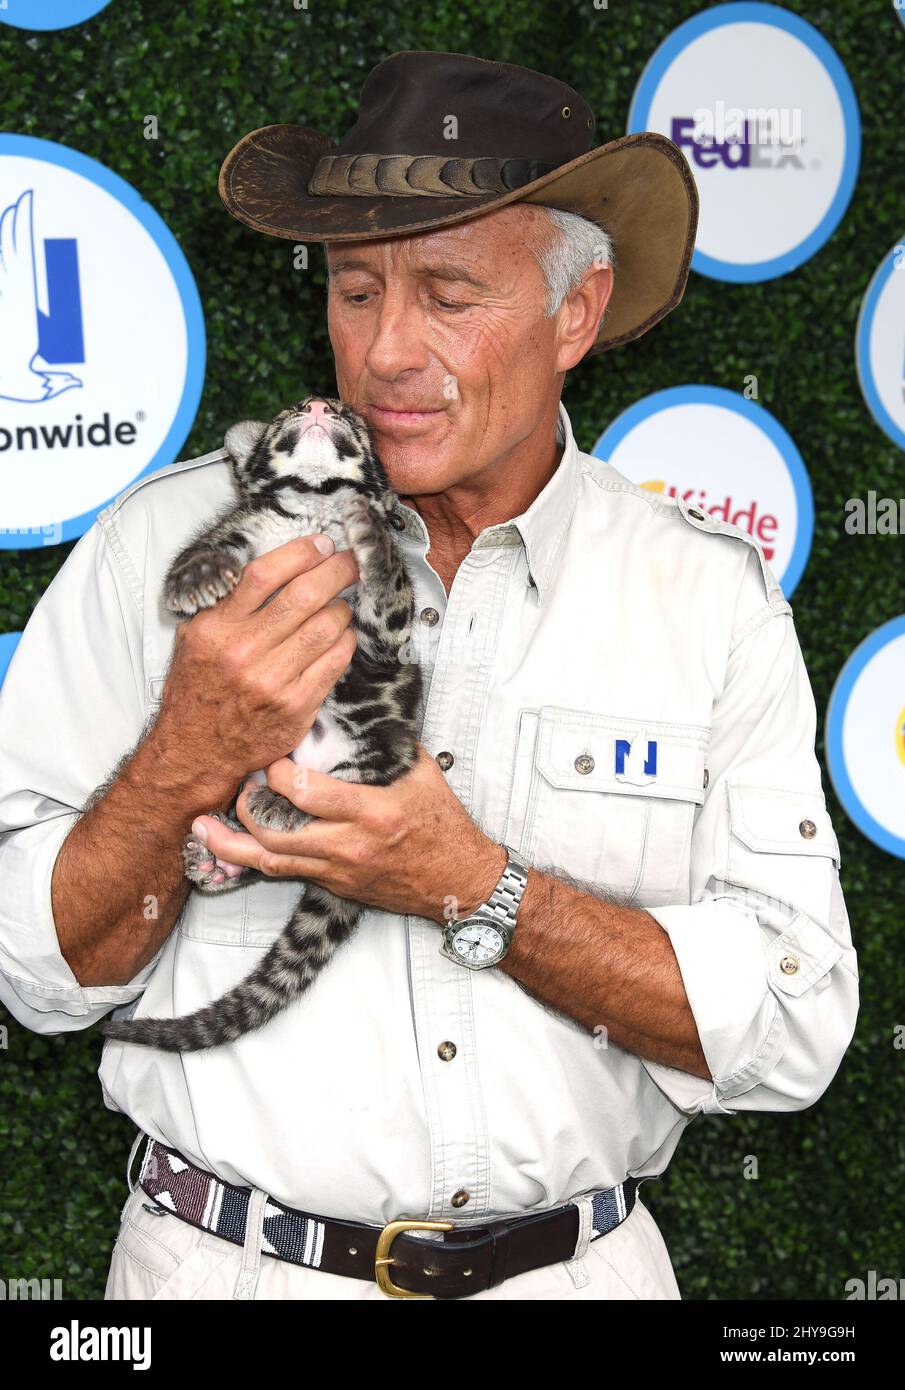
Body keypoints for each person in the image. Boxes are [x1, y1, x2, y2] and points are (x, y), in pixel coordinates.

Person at [0, 51, 858, 1301]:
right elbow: (34, 976)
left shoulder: (704, 596)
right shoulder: (163, 552)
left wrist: (473, 884)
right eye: (355, 293)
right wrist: (187, 750)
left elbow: (791, 1035)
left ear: (575, 312)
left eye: (448, 293)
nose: (384, 351)